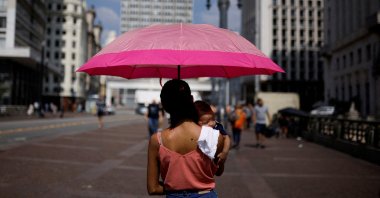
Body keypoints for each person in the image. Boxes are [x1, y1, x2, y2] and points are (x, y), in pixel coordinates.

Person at [147, 79, 225, 197]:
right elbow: (218, 171)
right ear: (192, 99)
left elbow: (153, 188)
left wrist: (176, 189)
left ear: (164, 105)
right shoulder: (214, 136)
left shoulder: (156, 140)